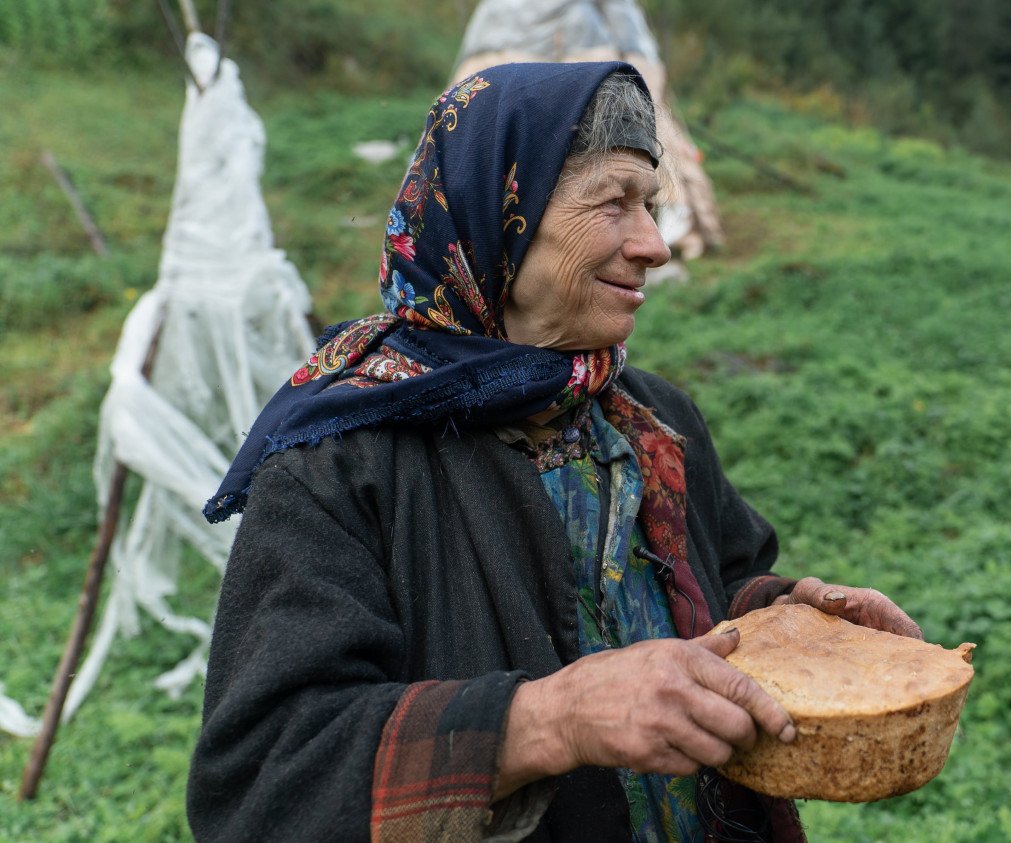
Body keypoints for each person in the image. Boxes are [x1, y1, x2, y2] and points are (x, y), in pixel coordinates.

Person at [188, 63, 920, 843]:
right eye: (614, 203)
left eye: (652, 204)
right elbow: (264, 777)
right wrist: (547, 719)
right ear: (497, 219)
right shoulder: (340, 467)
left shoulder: (652, 417)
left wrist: (795, 624)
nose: (655, 246)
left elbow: (723, 576)